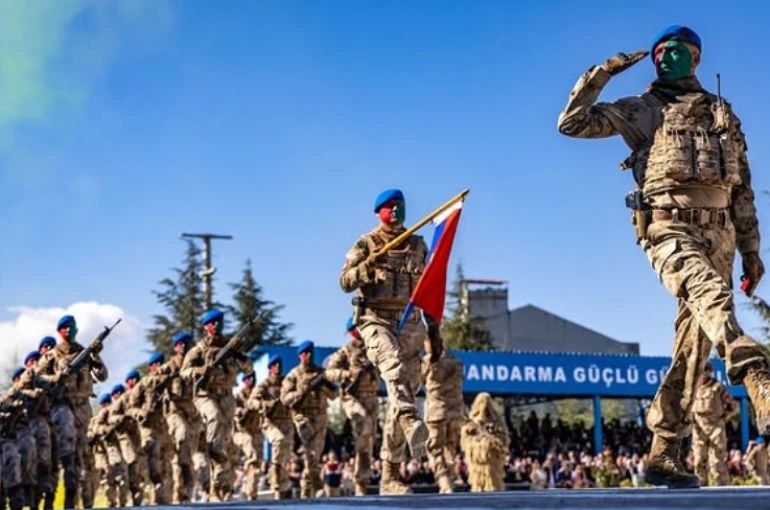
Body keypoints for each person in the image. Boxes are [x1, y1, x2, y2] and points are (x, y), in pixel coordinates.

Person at [556, 24, 770, 488]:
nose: (663, 59)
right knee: (710, 295)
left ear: (695, 57)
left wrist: (752, 251)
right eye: (658, 52)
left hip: (722, 234)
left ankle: (664, 450)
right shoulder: (644, 109)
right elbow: (572, 123)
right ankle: (754, 370)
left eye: (675, 51)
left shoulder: (721, 115)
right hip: (668, 226)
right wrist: (603, 74)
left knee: (691, 350)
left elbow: (743, 188)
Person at [339, 188, 441, 494]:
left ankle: (391, 475)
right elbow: (344, 282)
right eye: (389, 207)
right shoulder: (365, 243)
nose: (395, 212)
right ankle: (412, 419)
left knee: (404, 391)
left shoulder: (418, 245)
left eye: (400, 206)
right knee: (393, 366)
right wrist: (369, 264)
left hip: (410, 322)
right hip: (375, 320)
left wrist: (435, 333)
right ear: (378, 212)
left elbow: (431, 287)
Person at [324, 317, 380, 495]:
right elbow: (329, 372)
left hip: (371, 398)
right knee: (362, 423)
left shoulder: (373, 347)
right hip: (352, 397)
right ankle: (356, 472)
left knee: (368, 441)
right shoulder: (346, 351)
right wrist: (349, 373)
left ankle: (362, 481)